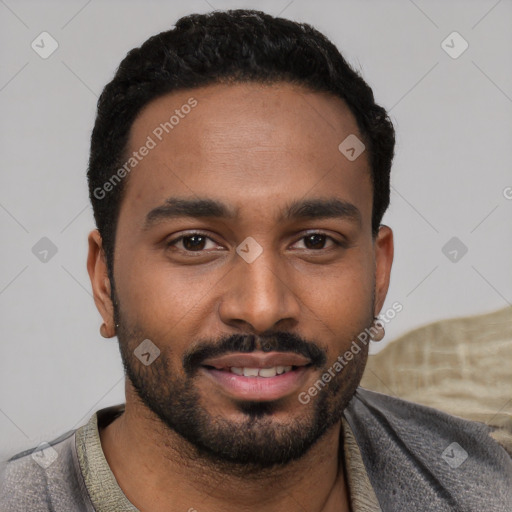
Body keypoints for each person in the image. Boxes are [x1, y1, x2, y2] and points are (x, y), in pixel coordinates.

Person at [1, 9, 510, 512]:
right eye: (195, 243)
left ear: (378, 275)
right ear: (104, 281)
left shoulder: (486, 484)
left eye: (314, 241)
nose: (263, 307)